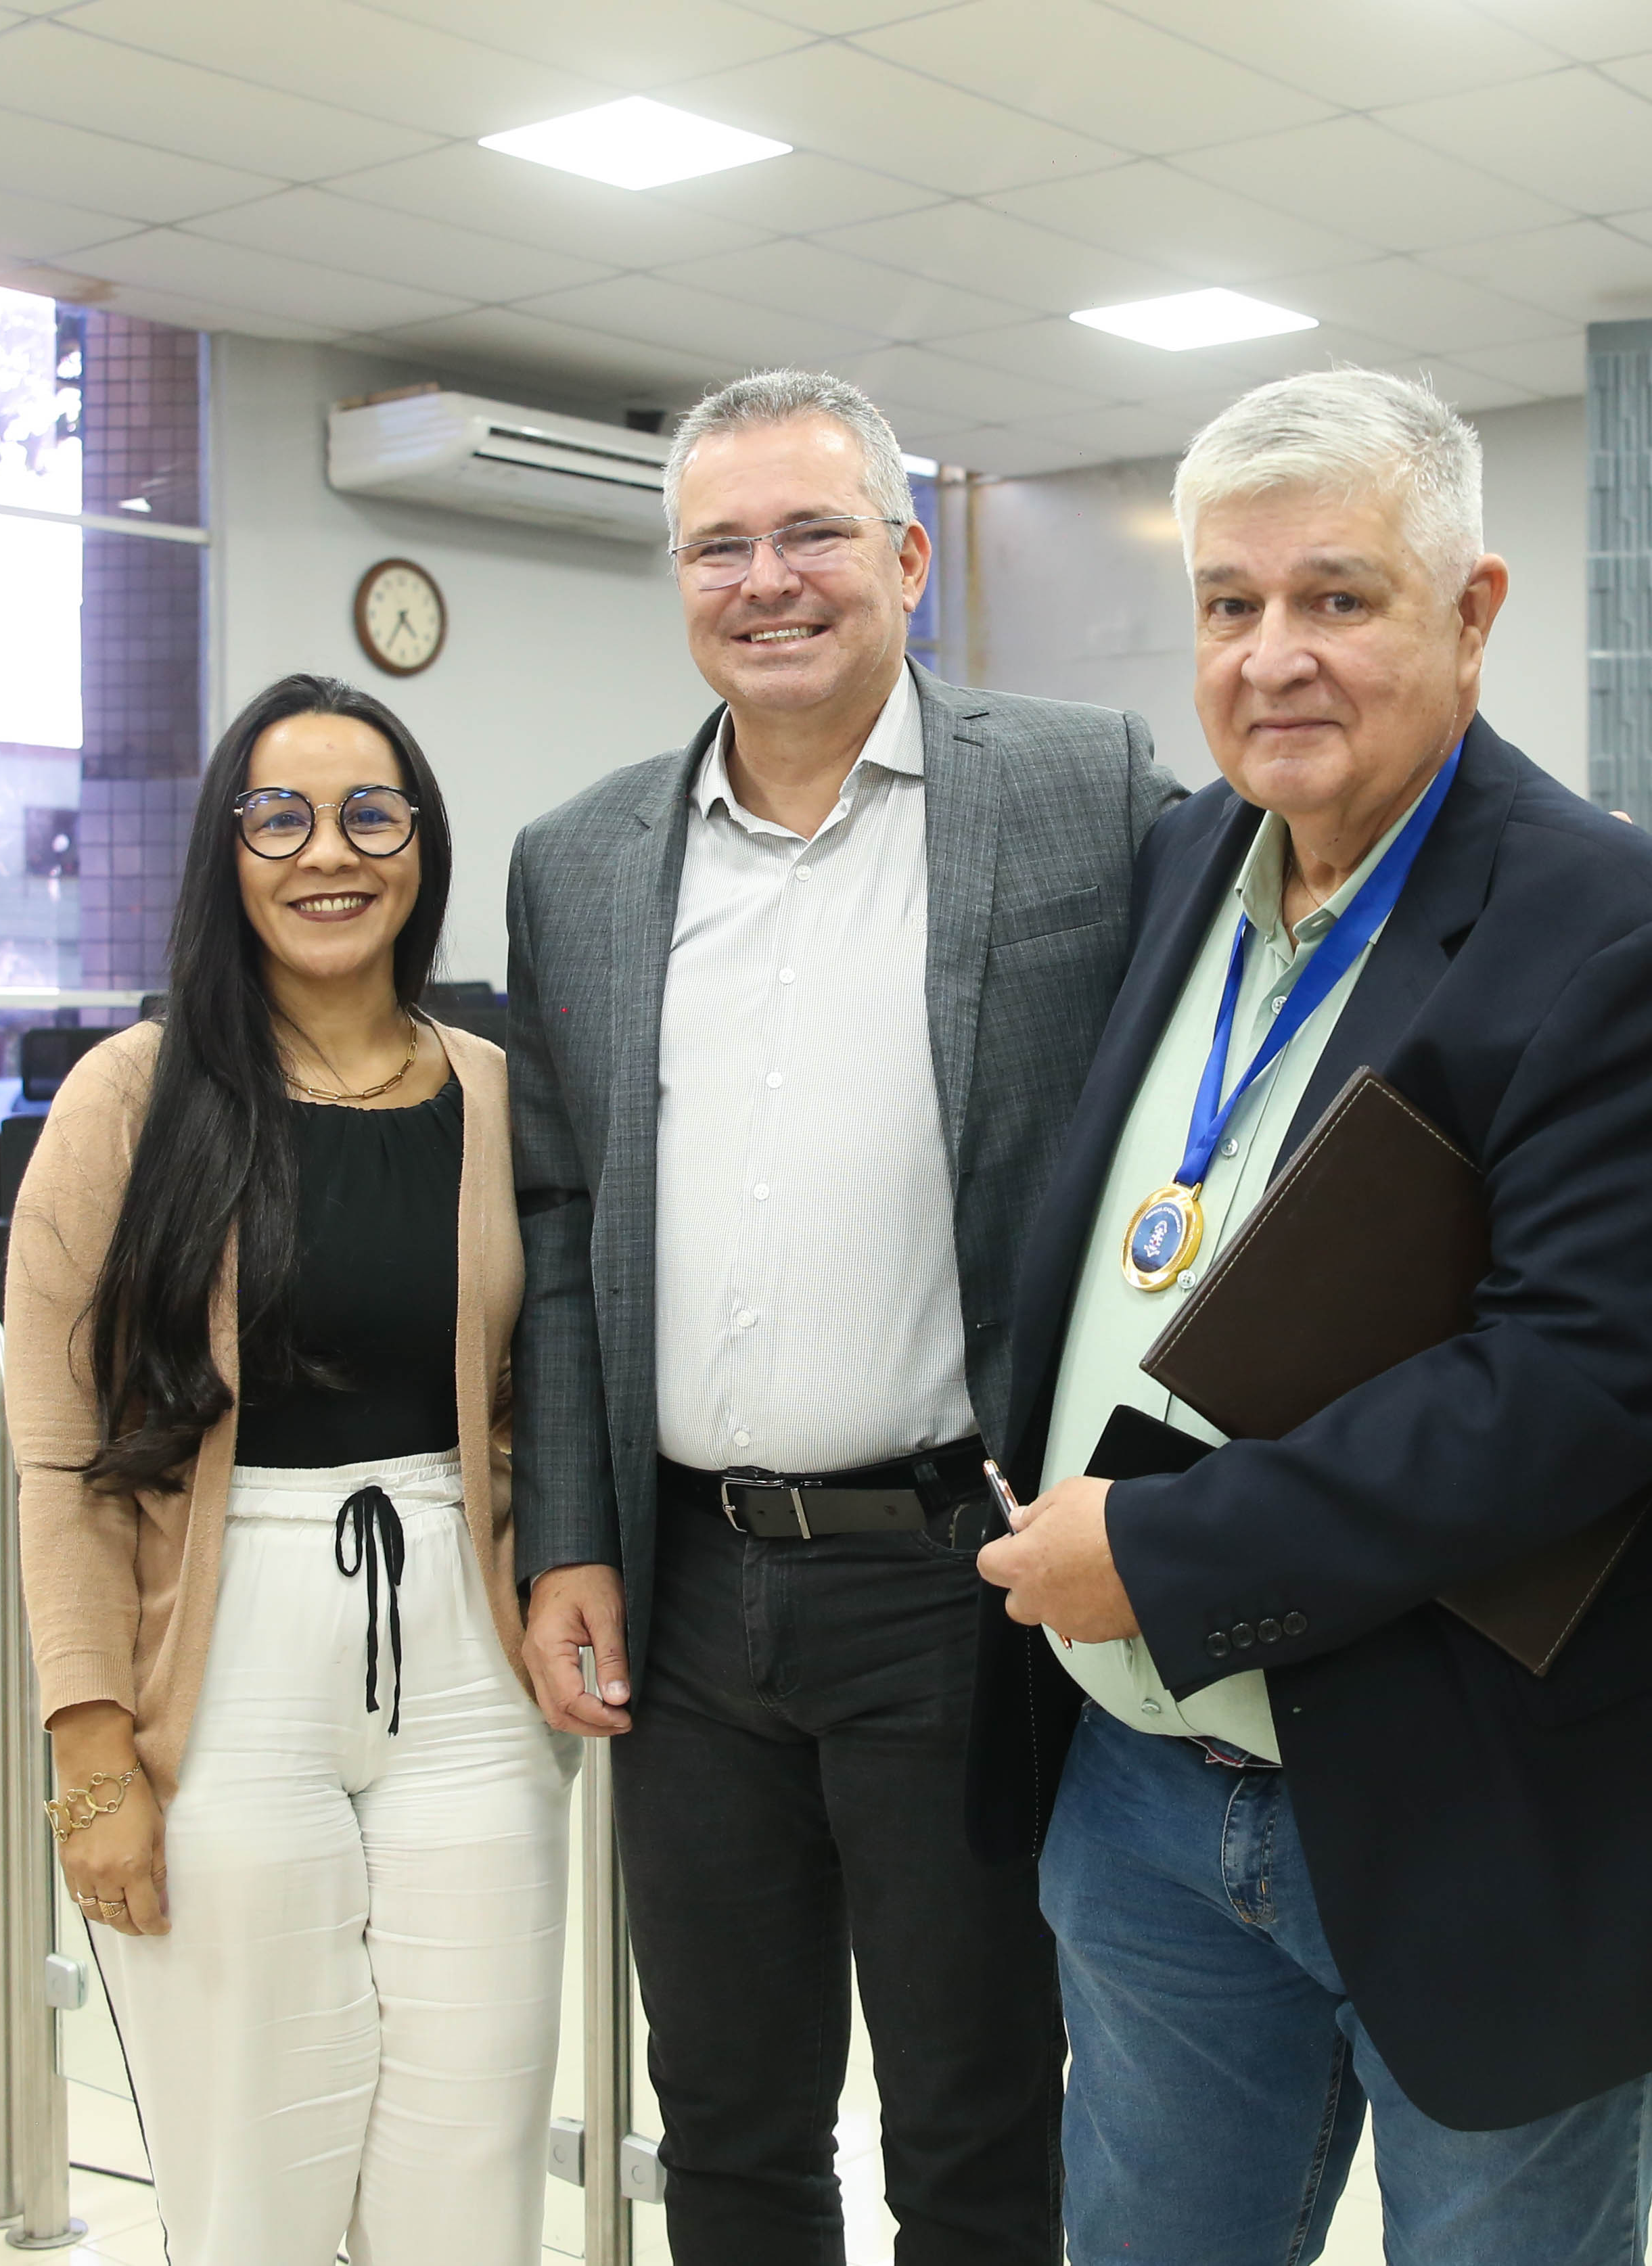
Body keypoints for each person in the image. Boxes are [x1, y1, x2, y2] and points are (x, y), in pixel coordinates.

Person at [974, 368, 1652, 2265]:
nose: (1273, 655)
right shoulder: (1187, 858)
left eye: (1336, 597)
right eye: (1230, 602)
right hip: (1143, 1794)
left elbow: (1581, 1384)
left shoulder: (1619, 934)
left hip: (1472, 1806)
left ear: (1473, 611)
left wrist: (1169, 1551)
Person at [505, 369, 1178, 2265]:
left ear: (907, 558)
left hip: (956, 1578)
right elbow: (559, 1222)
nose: (767, 579)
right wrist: (568, 1531)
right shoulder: (579, 860)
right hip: (687, 1590)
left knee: (976, 2118)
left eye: (812, 532)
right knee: (726, 2116)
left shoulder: (1080, 787)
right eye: (718, 545)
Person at [12, 674, 561, 2264]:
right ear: (227, 850)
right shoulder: (133, 1095)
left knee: (472, 2171)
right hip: (224, 1661)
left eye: (371, 814)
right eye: (281, 817)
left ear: (421, 845)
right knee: (258, 2184)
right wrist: (92, 1753)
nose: (330, 851)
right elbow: (59, 1453)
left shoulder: (496, 1091)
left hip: (466, 1661)